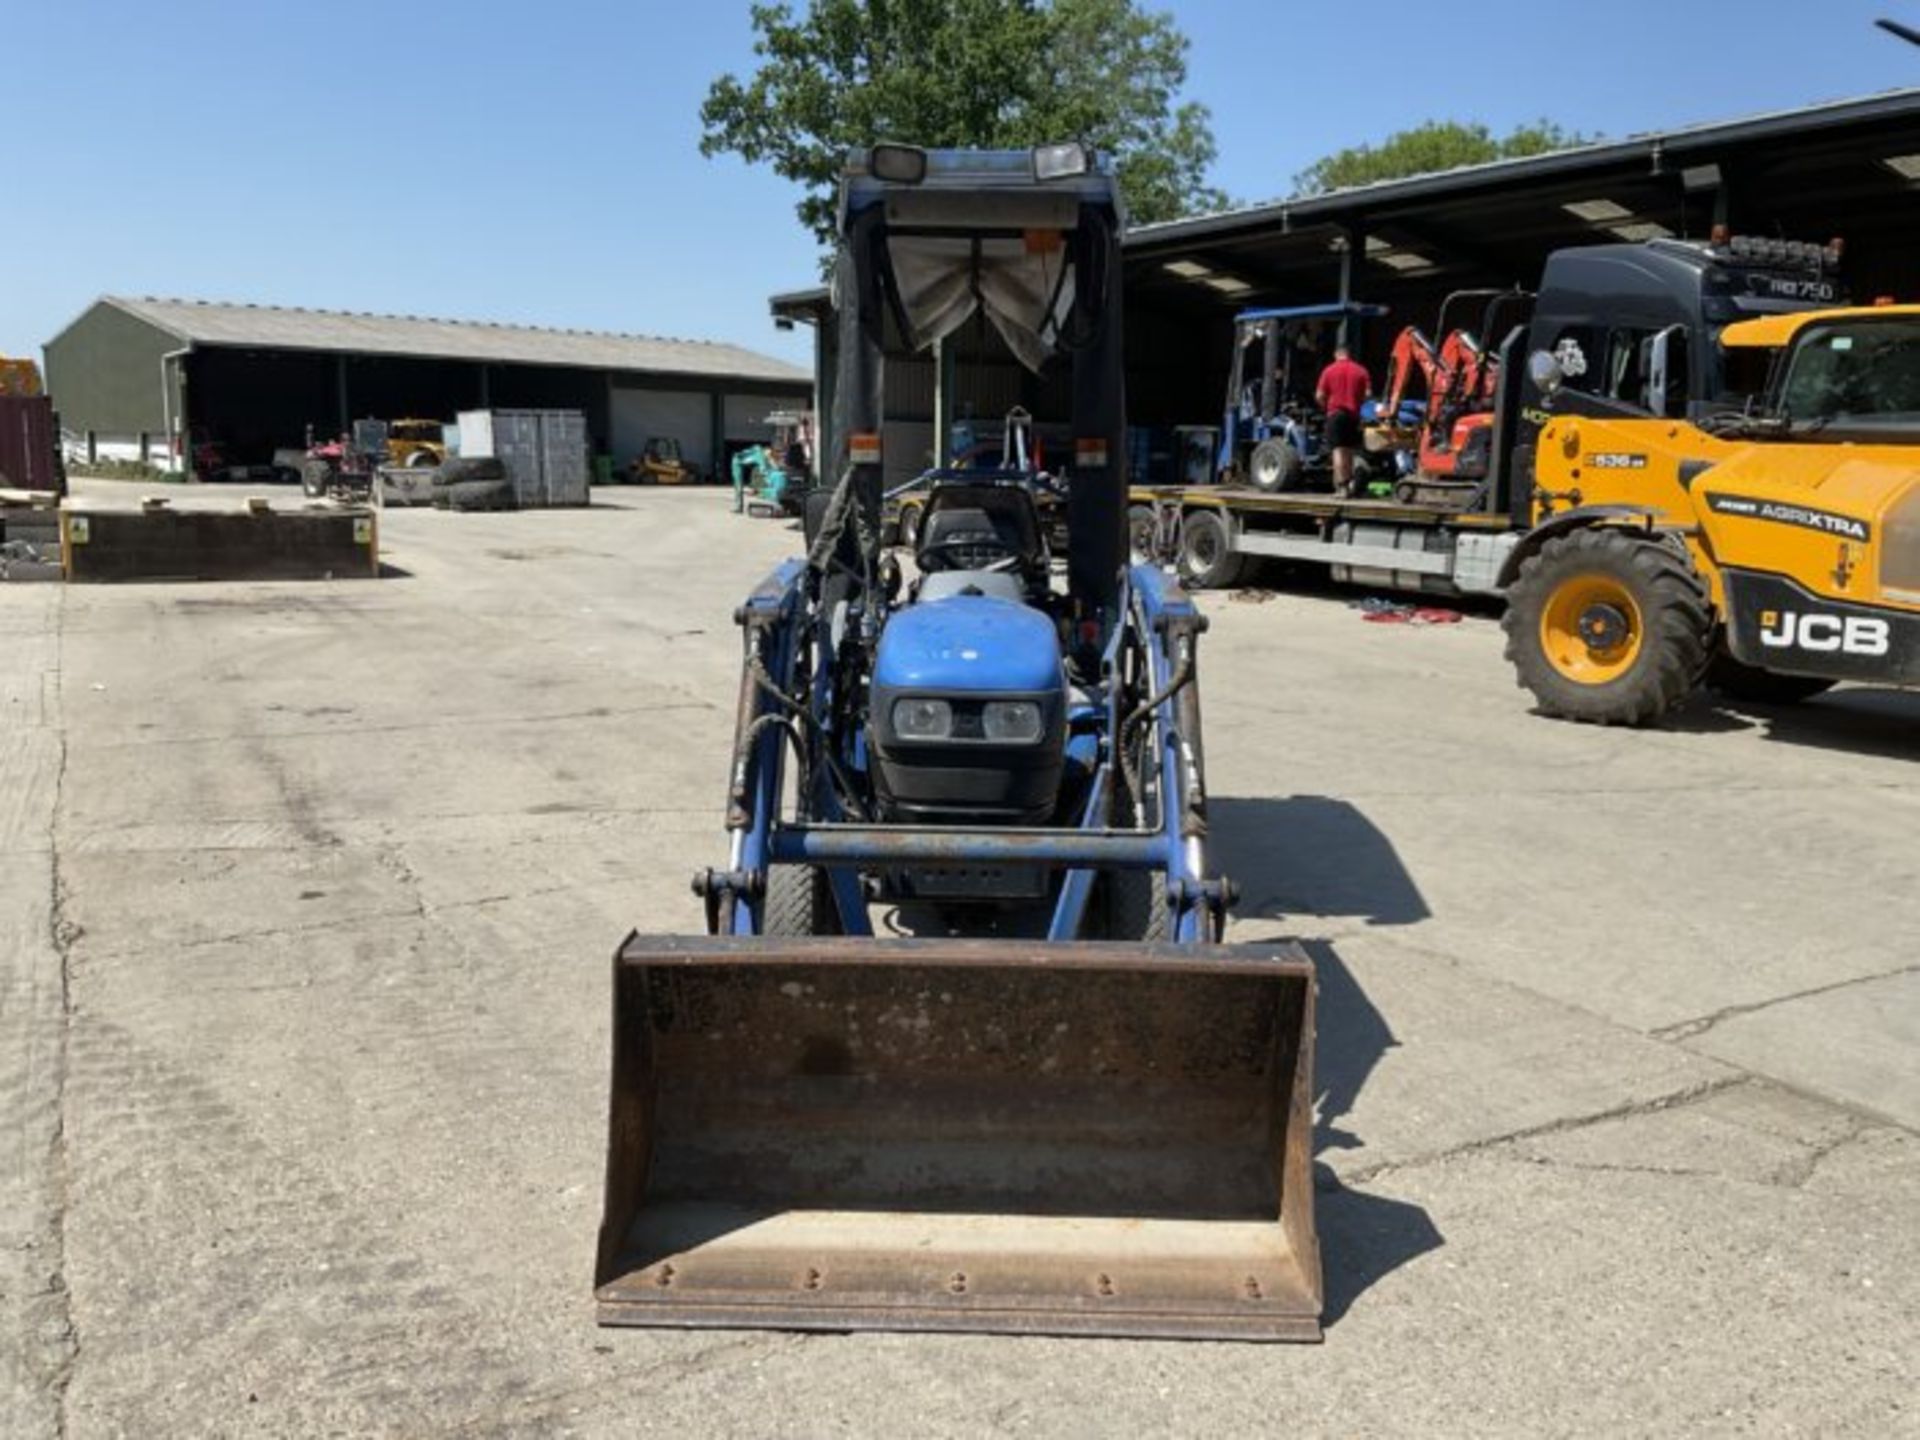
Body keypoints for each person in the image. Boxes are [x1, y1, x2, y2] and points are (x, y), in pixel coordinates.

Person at [1315, 344, 1373, 497]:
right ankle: (1351, 484)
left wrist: (1324, 407)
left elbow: (1320, 395)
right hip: (1353, 415)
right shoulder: (1361, 371)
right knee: (1350, 451)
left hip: (1336, 413)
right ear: (1349, 355)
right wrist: (1357, 401)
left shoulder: (1328, 370)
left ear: (1336, 354)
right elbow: (1368, 394)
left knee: (1338, 450)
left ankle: (1342, 487)